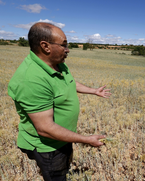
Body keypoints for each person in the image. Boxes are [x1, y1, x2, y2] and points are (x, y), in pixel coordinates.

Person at [8, 22, 111, 181]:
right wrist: (85, 139)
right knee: (57, 177)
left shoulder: (57, 64)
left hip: (62, 138)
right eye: (64, 45)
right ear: (45, 46)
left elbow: (69, 83)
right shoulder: (31, 80)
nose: (68, 49)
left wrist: (93, 91)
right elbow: (46, 129)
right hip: (48, 147)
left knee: (64, 169)